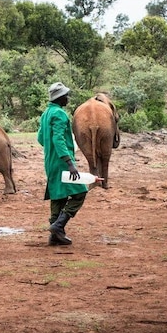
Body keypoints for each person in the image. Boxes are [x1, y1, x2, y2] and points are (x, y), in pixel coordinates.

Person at [37, 81, 96, 246]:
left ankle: (54, 236)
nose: (68, 98)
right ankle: (58, 225)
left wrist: (51, 149)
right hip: (62, 161)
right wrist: (69, 161)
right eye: (66, 96)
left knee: (58, 196)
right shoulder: (60, 114)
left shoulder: (46, 114)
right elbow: (58, 138)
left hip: (50, 161)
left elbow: (41, 138)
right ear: (60, 98)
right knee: (80, 192)